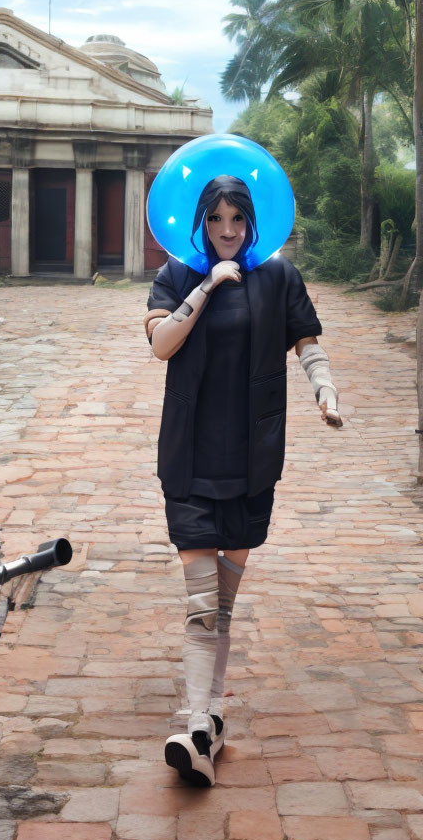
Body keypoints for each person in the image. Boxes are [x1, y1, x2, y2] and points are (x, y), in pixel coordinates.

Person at [144, 174, 342, 788]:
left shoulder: (279, 276)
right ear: (199, 222)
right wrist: (205, 287)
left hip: (253, 459)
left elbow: (307, 343)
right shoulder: (176, 274)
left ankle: (205, 722)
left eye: (237, 220)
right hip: (190, 458)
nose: (227, 231)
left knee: (222, 606)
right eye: (216, 220)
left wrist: (325, 388)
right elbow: (161, 345)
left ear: (252, 222)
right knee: (202, 605)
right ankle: (196, 719)